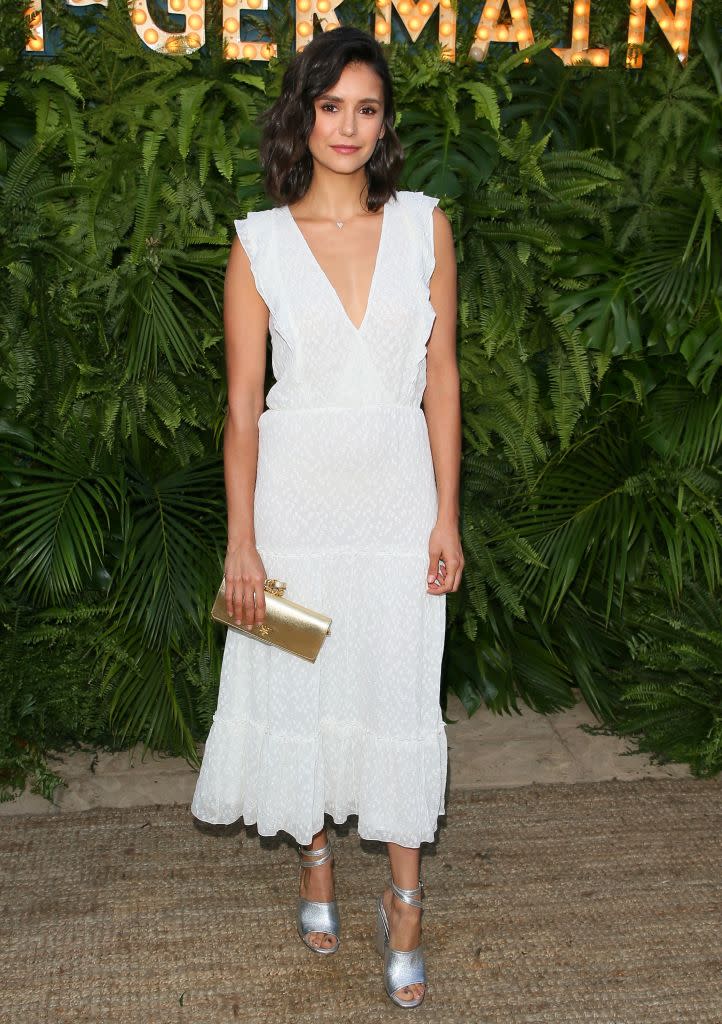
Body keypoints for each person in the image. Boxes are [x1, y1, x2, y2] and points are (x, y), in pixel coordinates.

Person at [190, 25, 463, 1008]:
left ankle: (403, 902)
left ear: (384, 124)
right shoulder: (258, 244)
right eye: (329, 105)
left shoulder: (424, 225)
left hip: (397, 505)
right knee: (298, 684)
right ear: (301, 117)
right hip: (293, 509)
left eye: (366, 108)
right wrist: (241, 546)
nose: (347, 127)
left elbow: (440, 378)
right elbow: (238, 408)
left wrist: (446, 519)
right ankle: (312, 861)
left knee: (398, 690)